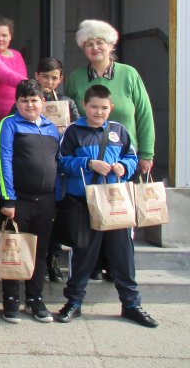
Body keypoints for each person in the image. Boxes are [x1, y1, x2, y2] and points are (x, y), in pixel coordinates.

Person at [55, 84, 158, 328]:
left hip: (115, 202)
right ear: (85, 106)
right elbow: (62, 162)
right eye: (93, 107)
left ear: (111, 107)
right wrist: (88, 163)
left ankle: (131, 304)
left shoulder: (119, 131)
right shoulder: (73, 131)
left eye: (103, 107)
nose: (98, 112)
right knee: (82, 255)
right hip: (85, 203)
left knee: (123, 256)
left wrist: (124, 166)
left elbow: (131, 157)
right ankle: (74, 302)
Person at [0, 79, 60, 324]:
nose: (29, 105)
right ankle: (11, 300)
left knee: (40, 252)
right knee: (13, 251)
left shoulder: (52, 128)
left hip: (46, 201)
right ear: (17, 102)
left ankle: (35, 299)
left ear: (43, 102)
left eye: (34, 100)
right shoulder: (9, 124)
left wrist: (57, 197)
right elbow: (3, 161)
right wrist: (7, 198)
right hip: (18, 201)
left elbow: (58, 162)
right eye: (24, 101)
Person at [65, 19, 155, 176]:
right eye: (89, 44)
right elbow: (69, 118)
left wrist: (146, 154)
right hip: (87, 163)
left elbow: (144, 115)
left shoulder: (129, 74)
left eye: (100, 42)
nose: (95, 47)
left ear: (111, 45)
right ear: (83, 48)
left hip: (125, 160)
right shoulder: (75, 78)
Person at [33, 56, 80, 283]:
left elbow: (79, 130)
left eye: (54, 78)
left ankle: (53, 258)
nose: (49, 82)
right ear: (37, 76)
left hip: (60, 168)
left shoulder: (67, 102)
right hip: (37, 167)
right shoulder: (30, 99)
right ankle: (36, 262)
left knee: (57, 217)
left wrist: (67, 127)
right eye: (45, 77)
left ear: (60, 79)